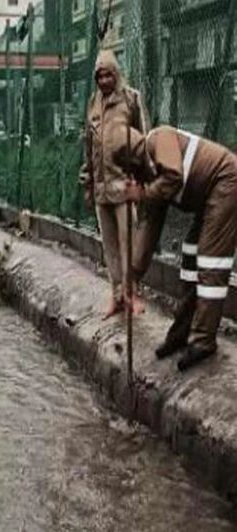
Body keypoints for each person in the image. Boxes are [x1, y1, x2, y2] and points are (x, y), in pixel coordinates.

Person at [116, 123, 237, 371]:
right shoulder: (149, 181)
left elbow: (174, 176)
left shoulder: (160, 138)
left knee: (211, 261)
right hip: (209, 197)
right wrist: (132, 276)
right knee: (190, 256)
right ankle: (180, 333)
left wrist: (143, 194)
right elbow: (148, 231)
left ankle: (203, 341)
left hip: (226, 182)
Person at [79, 49, 149, 319]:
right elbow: (88, 146)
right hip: (101, 190)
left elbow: (144, 142)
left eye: (109, 74)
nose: (105, 80)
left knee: (128, 243)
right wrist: (88, 183)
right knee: (110, 248)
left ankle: (132, 295)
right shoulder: (93, 103)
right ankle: (116, 296)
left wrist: (142, 182)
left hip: (125, 186)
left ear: (116, 74)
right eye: (100, 75)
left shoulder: (131, 99)